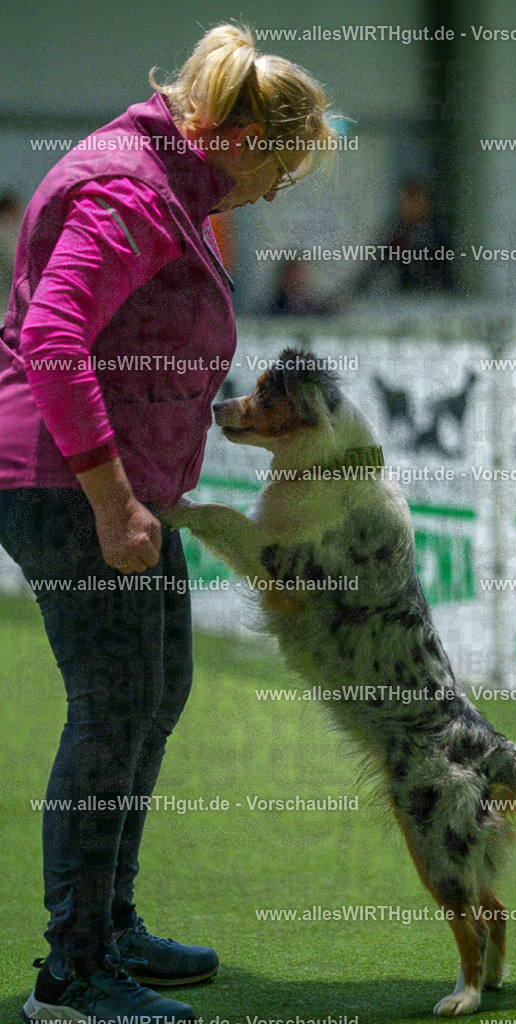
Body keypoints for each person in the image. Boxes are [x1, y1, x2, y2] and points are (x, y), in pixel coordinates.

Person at [0, 24, 335, 1024]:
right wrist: (111, 500)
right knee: (114, 705)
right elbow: (54, 338)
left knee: (153, 690)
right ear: (241, 138)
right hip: (70, 482)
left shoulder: (165, 179)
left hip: (120, 481)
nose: (273, 191)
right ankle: (71, 973)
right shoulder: (134, 192)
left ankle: (110, 926)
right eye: (280, 167)